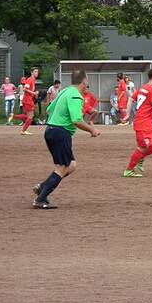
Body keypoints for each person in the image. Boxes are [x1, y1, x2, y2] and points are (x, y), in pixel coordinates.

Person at [31, 70, 100, 209]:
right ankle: (40, 198)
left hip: (51, 130)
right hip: (60, 133)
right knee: (63, 168)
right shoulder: (76, 96)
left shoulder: (64, 91)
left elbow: (50, 108)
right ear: (84, 81)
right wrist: (92, 129)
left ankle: (43, 187)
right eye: (88, 80)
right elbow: (76, 120)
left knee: (71, 165)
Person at [14, 67, 39, 135]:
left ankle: (13, 116)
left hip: (27, 99)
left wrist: (34, 94)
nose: (37, 73)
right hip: (27, 100)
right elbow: (25, 89)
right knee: (30, 116)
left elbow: (28, 90)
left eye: (37, 71)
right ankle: (23, 130)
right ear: (32, 73)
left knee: (28, 116)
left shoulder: (32, 80)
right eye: (35, 71)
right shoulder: (30, 79)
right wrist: (33, 93)